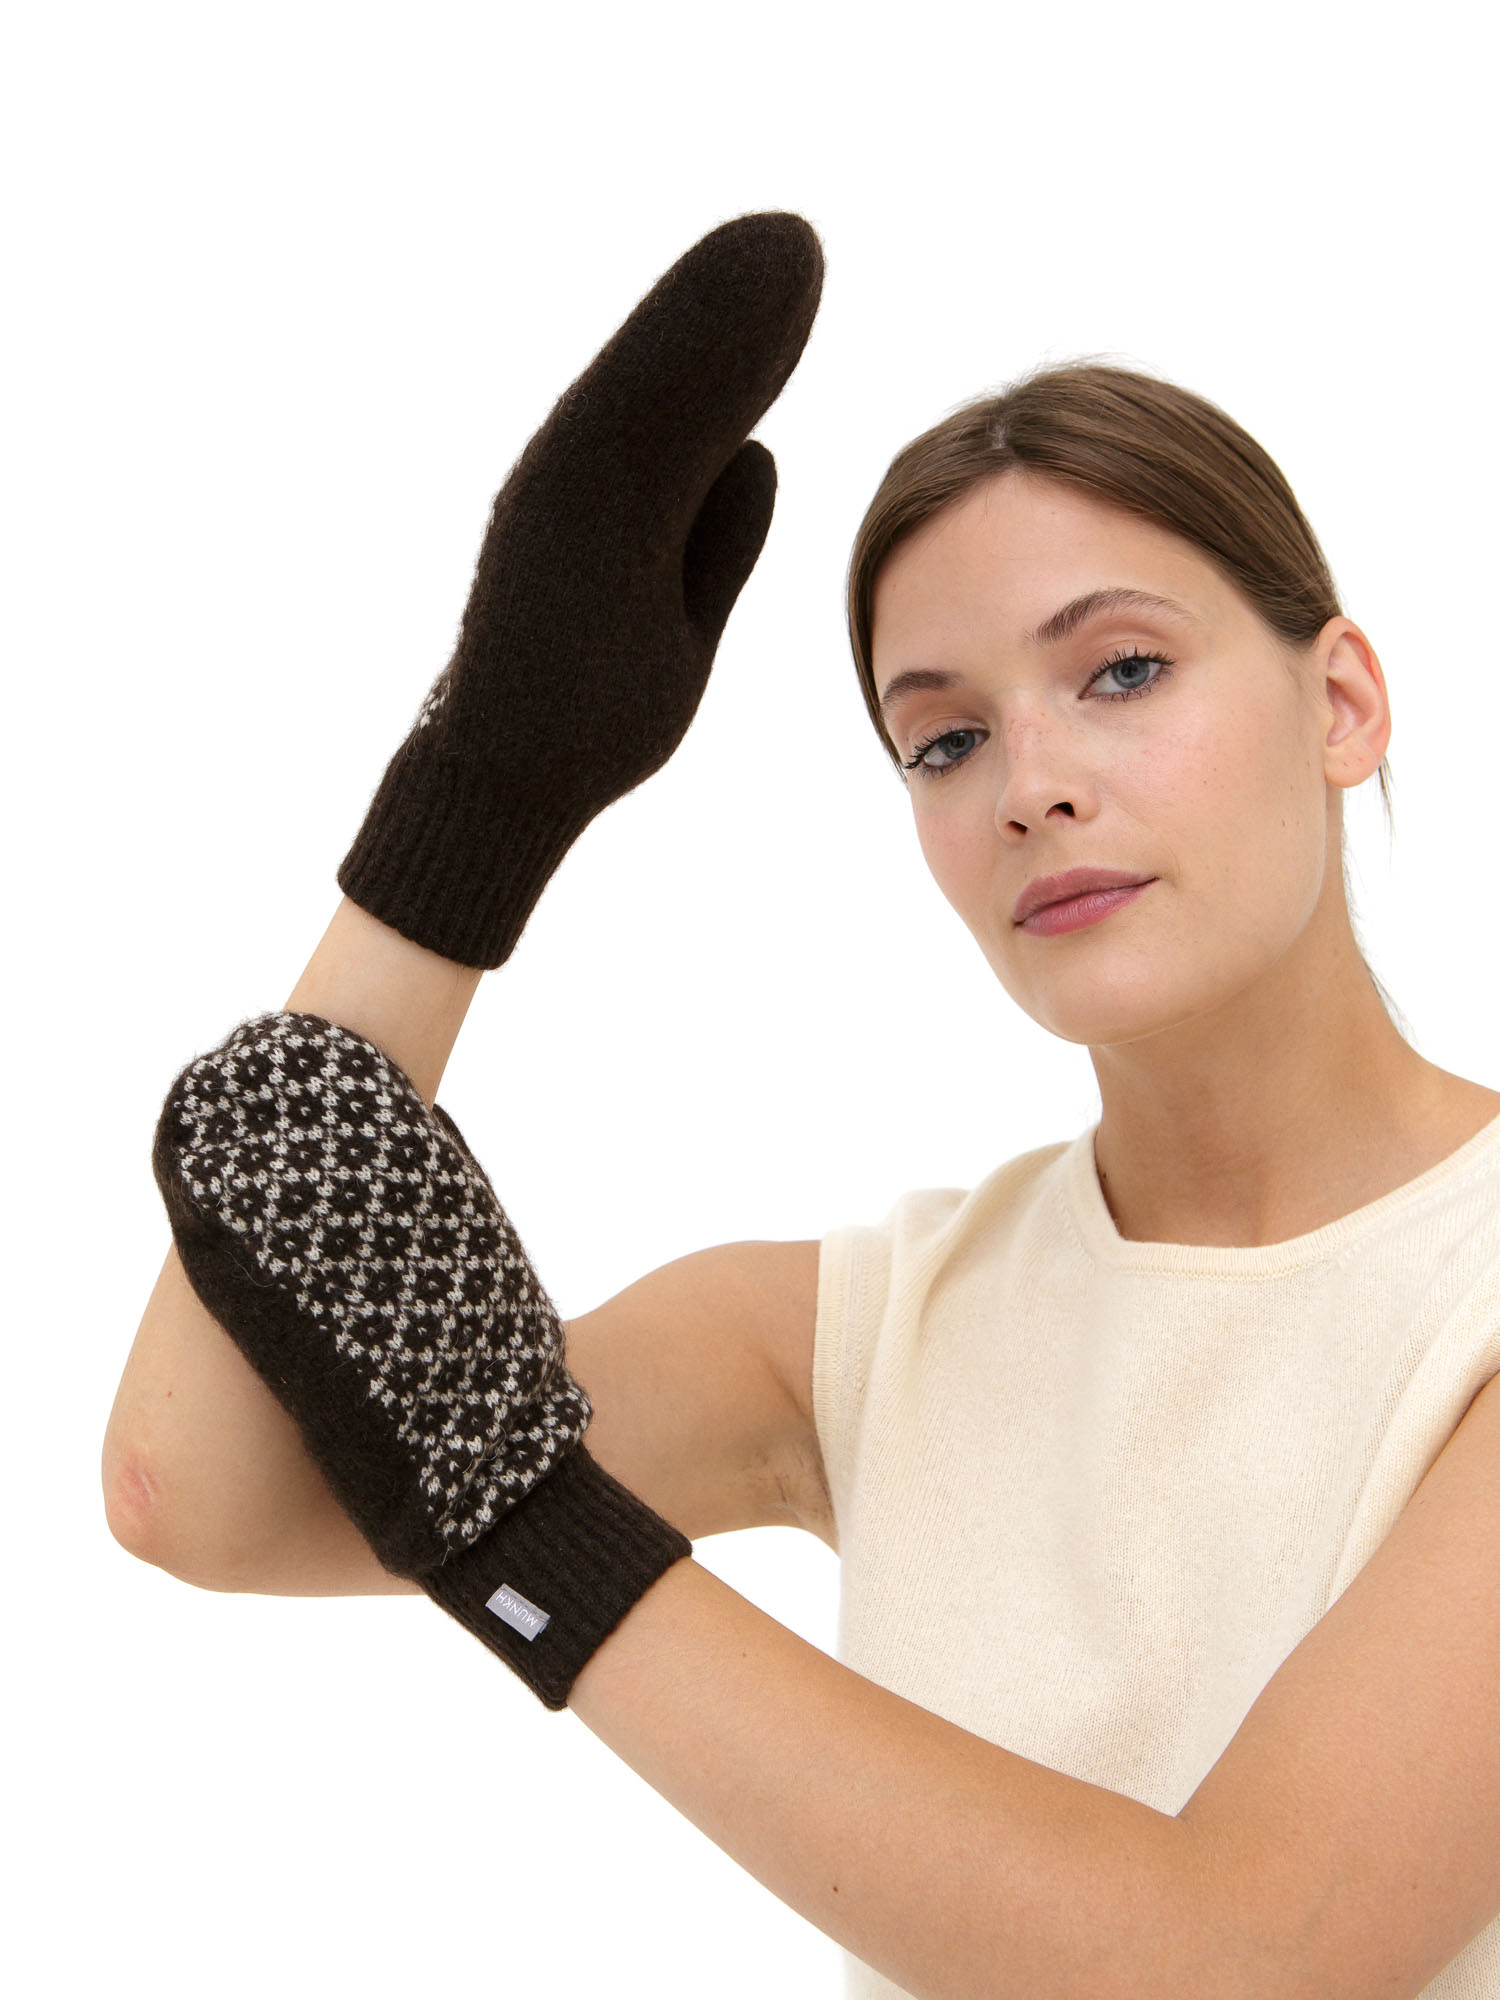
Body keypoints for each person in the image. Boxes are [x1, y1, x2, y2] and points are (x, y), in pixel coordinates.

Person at [102, 213, 1500, 1999]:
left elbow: (1242, 1959)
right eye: (946, 739)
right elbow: (200, 1494)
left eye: (1123, 670)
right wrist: (479, 806)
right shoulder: (871, 1325)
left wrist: (538, 1536)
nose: (1031, 784)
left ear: (1344, 702)